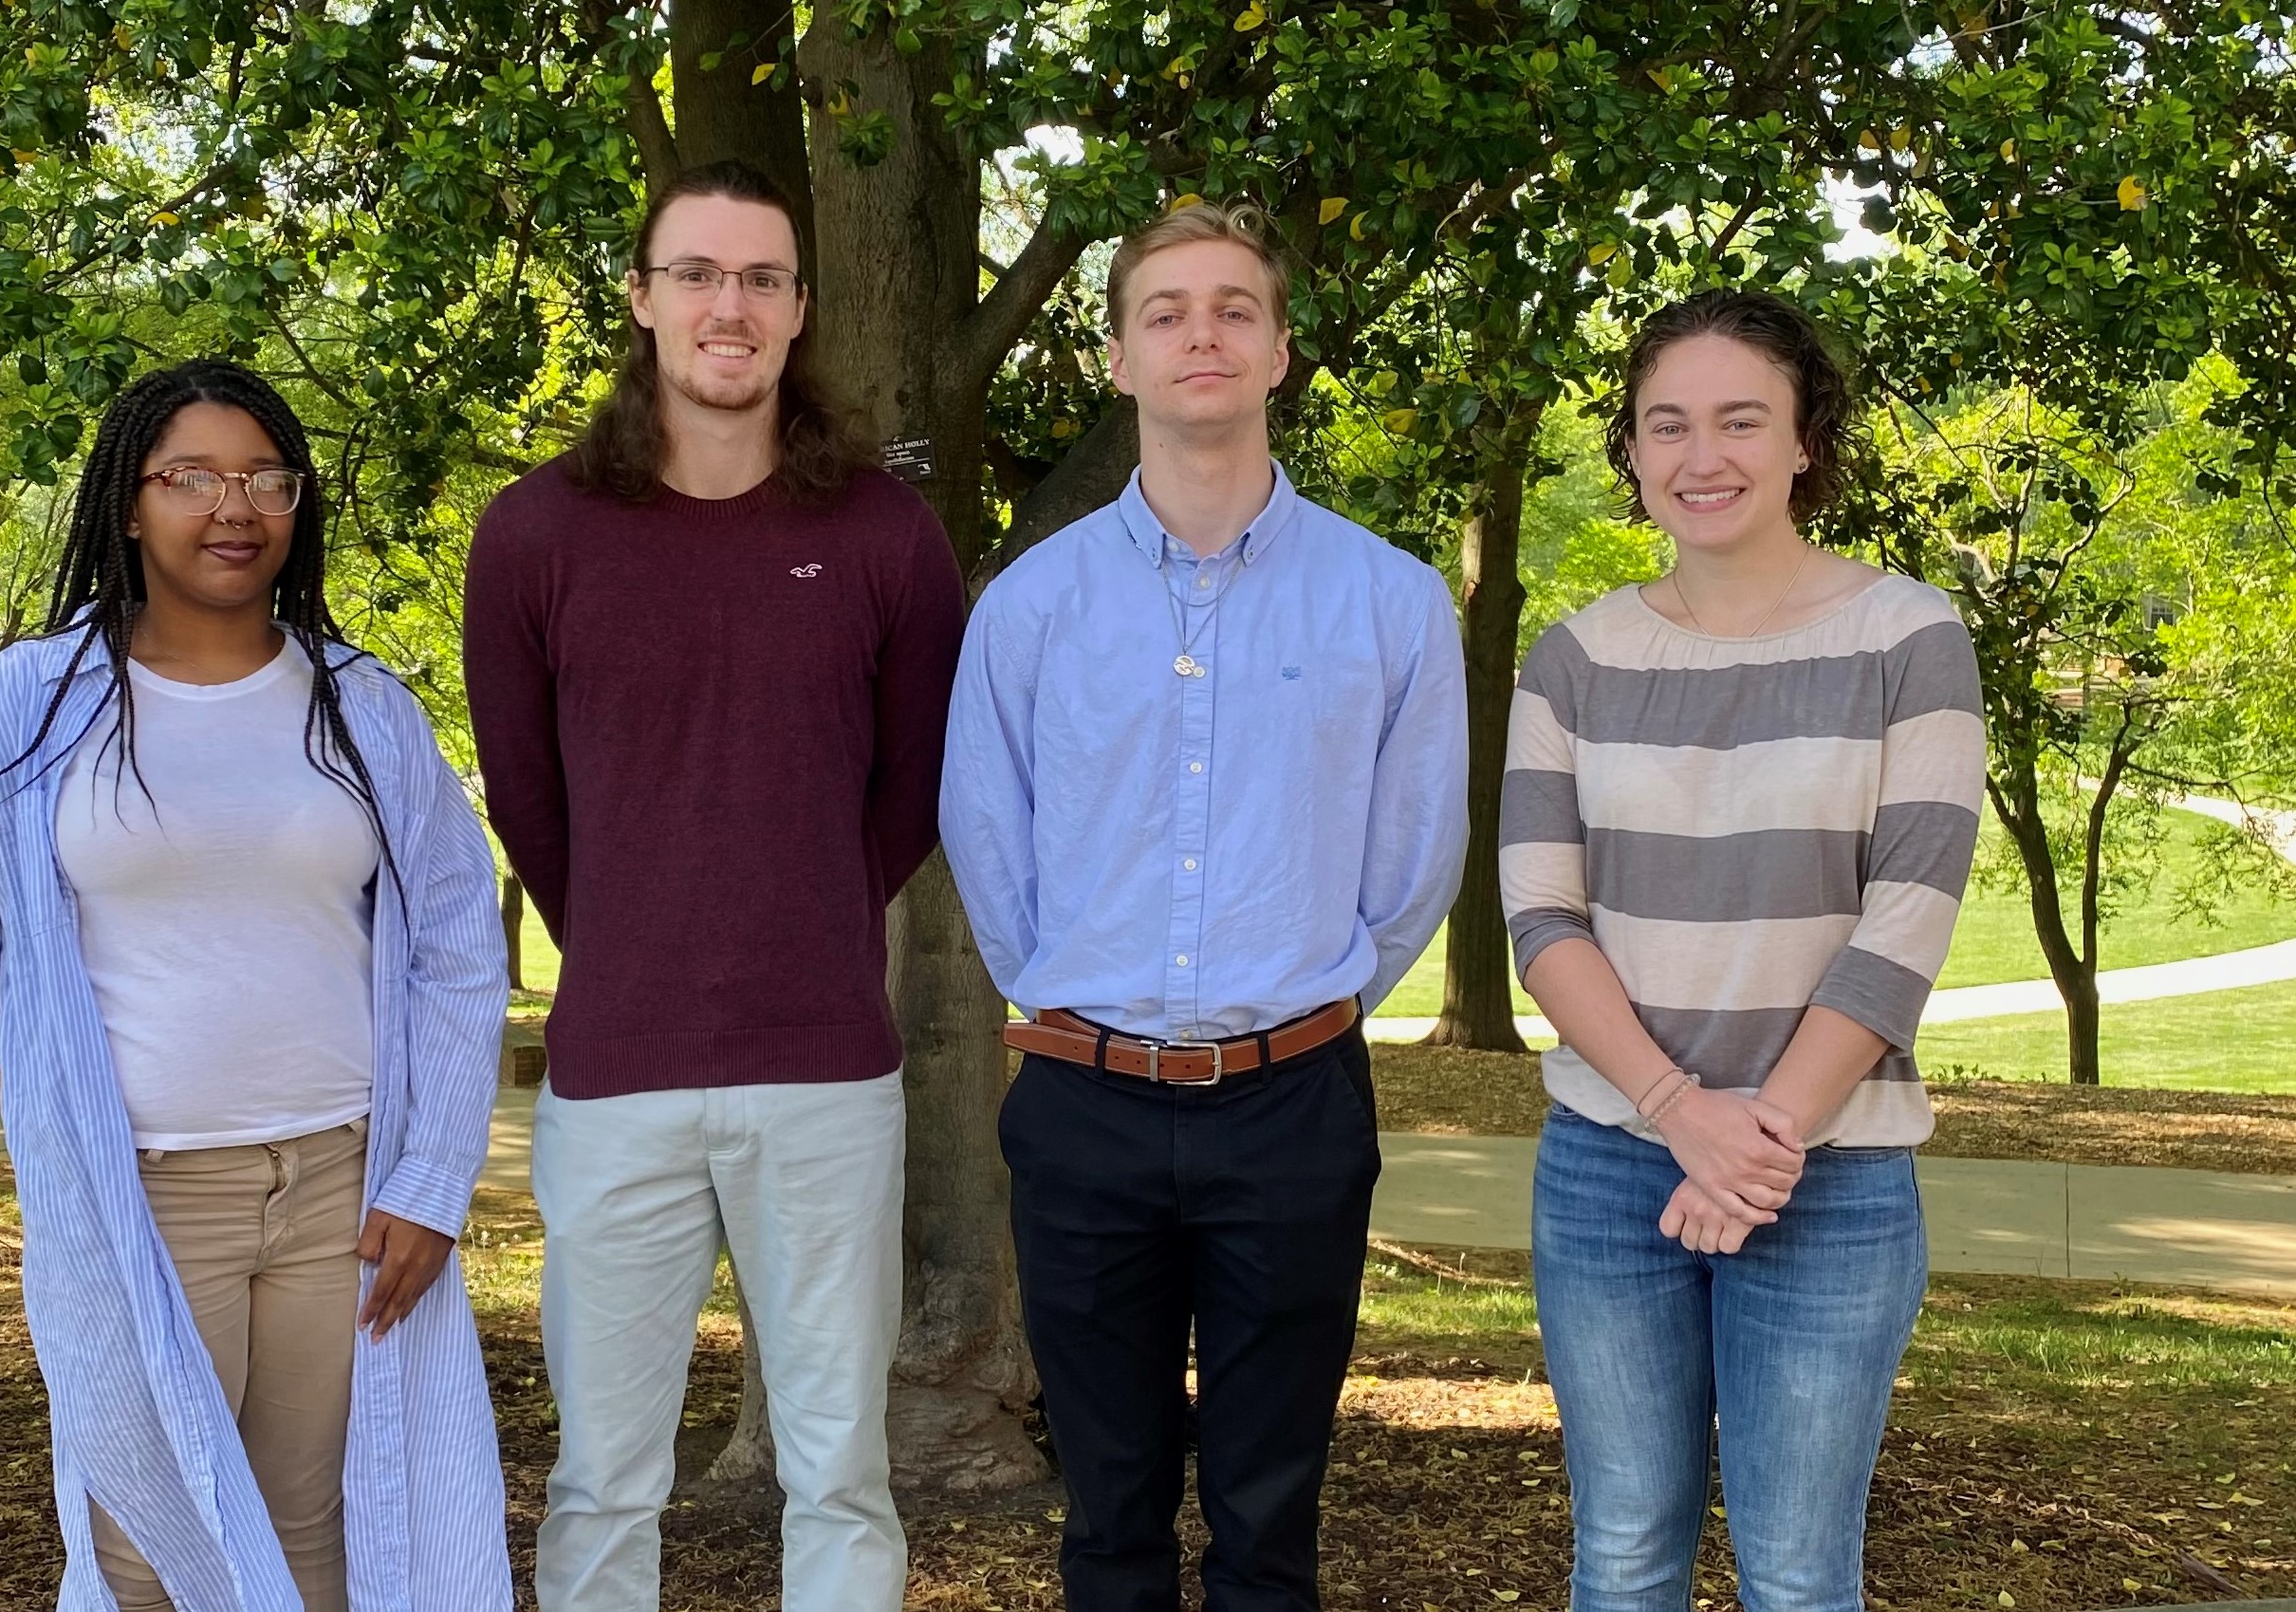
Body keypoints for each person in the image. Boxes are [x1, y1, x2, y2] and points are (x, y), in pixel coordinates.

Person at [0, 359, 511, 1611]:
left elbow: (458, 946)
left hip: (341, 1196)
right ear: (129, 502)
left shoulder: (360, 705)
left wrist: (428, 1177)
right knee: (151, 1546)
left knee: (316, 1533)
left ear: (299, 502)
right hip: (140, 1191)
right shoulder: (33, 701)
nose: (231, 504)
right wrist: (49, 1003)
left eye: (263, 475)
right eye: (189, 475)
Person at [942, 199, 1468, 1612]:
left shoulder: (1391, 600)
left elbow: (1413, 860)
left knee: (1268, 1511)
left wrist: (1306, 995)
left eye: (1233, 307)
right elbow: (989, 843)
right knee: (1106, 1513)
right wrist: (1071, 998)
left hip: (1292, 1104)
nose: (1200, 333)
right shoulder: (1029, 606)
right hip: (1081, 1100)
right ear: (1115, 357)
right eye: (1164, 311)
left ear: (1281, 349)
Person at [462, 159, 964, 1612]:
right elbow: (530, 804)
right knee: (601, 1478)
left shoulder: (885, 535)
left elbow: (909, 794)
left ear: (800, 307)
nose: (726, 305)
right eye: (695, 273)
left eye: (758, 277)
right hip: (614, 1076)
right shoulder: (535, 534)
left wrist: (796, 916)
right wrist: (637, 937)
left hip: (826, 1077)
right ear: (641, 297)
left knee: (839, 1469)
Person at [1501, 288, 1986, 1612]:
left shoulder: (1907, 638)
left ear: (1802, 441)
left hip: (1827, 1176)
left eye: (1737, 419)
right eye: (1665, 424)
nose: (1698, 455)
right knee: (1620, 1556)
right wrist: (1675, 1113)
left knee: (1793, 1570)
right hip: (1609, 1163)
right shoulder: (1572, 659)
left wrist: (1757, 1137)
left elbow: (1907, 917)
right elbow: (1542, 919)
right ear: (1631, 450)